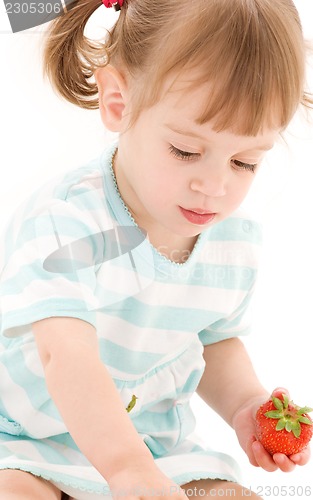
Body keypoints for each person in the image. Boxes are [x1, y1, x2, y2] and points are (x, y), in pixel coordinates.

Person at [0, 0, 311, 498]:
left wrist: (245, 404)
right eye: (186, 151)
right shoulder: (67, 225)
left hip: (155, 447)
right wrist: (125, 469)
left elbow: (216, 340)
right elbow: (65, 355)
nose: (213, 186)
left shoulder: (231, 243)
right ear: (119, 103)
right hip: (30, 439)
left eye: (245, 162)